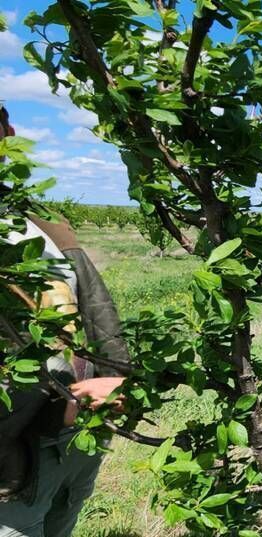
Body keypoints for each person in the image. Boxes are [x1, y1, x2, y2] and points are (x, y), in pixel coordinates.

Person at [0, 106, 132, 537]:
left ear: (9, 134)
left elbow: (97, 309)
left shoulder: (41, 224)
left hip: (75, 440)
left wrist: (118, 378)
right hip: (13, 456)